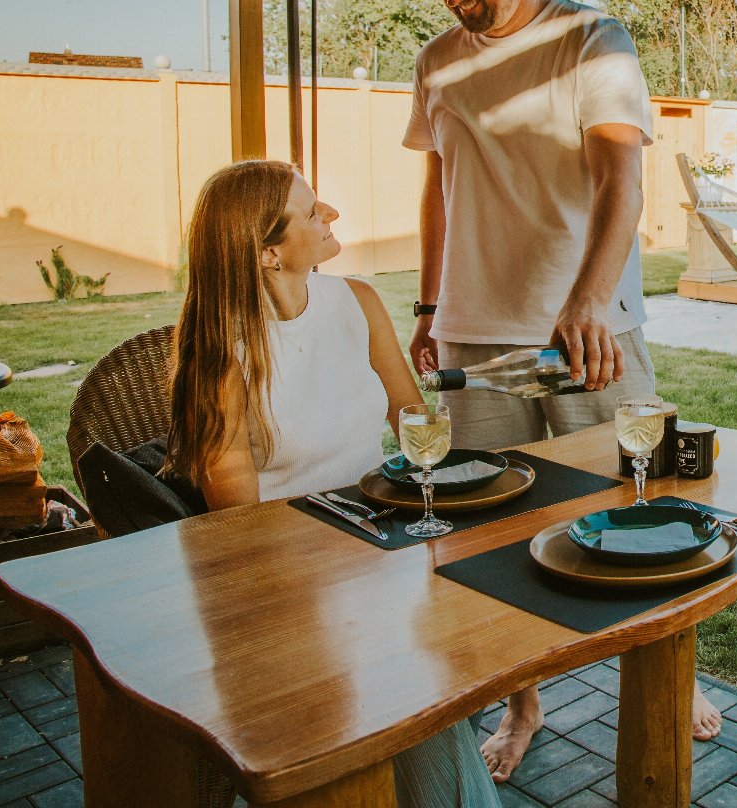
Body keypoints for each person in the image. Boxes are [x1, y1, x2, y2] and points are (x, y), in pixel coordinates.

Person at [400, 0, 723, 782]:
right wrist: (430, 307)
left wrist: (586, 300)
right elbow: (436, 188)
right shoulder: (437, 61)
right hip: (473, 331)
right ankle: (523, 703)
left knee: (634, 505)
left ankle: (672, 673)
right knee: (487, 535)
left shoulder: (592, 41)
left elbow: (623, 182)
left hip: (591, 333)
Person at [163, 159, 500, 808]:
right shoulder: (221, 353)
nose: (332, 217)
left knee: (476, 636)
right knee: (416, 696)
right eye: (313, 212)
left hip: (385, 549)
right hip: (289, 590)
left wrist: (468, 405)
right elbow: (239, 527)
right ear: (268, 252)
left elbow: (411, 414)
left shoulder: (358, 303)